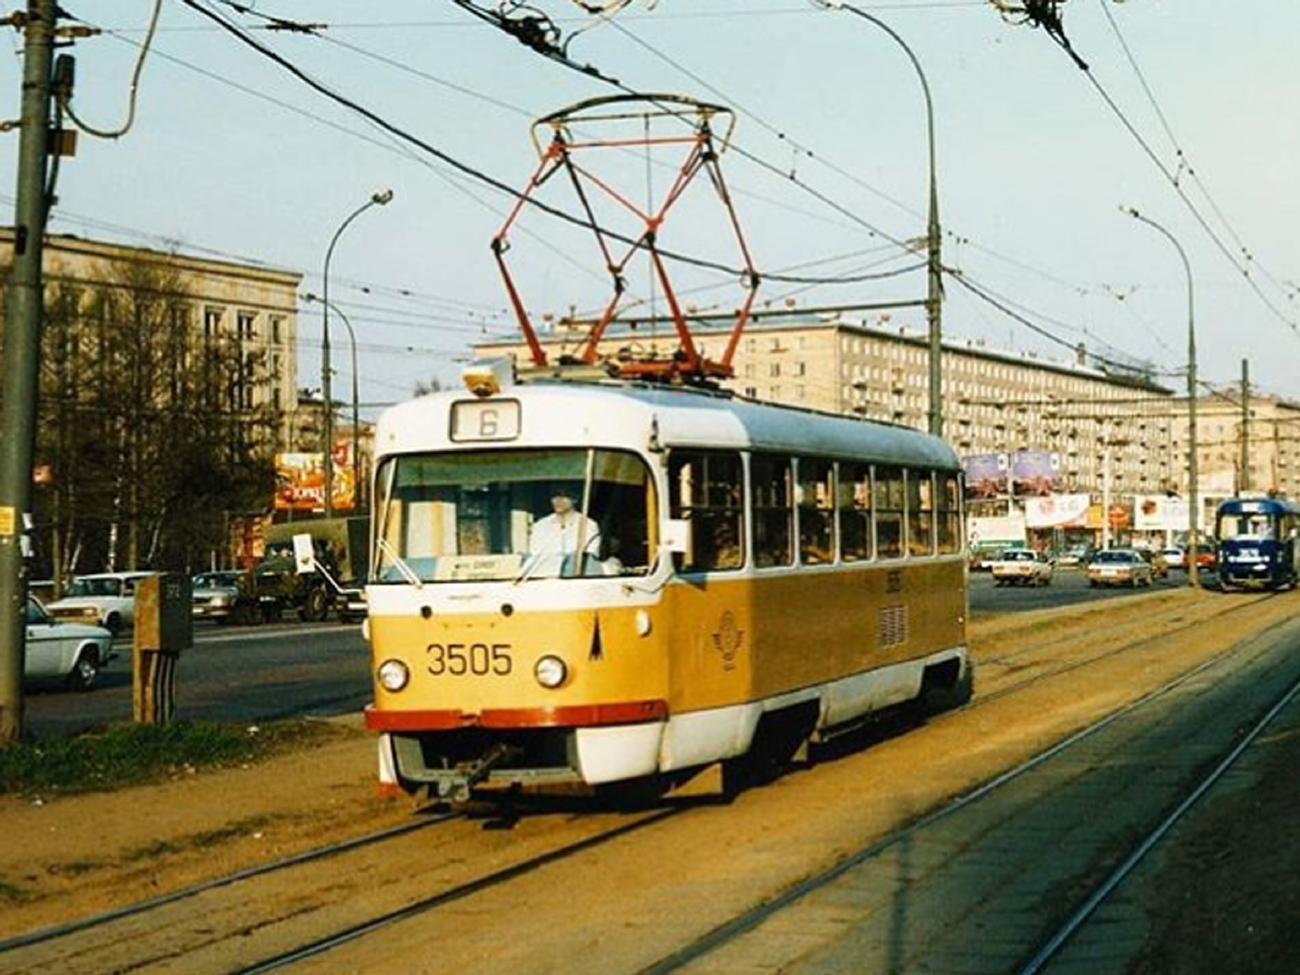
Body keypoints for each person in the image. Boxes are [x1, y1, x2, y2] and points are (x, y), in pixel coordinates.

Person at [527, 486, 602, 575]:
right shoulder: (540, 525)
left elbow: (590, 556)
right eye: (555, 496)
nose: (558, 500)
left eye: (563, 496)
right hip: (544, 577)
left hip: (576, 577)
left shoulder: (588, 525)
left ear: (575, 499)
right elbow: (535, 553)